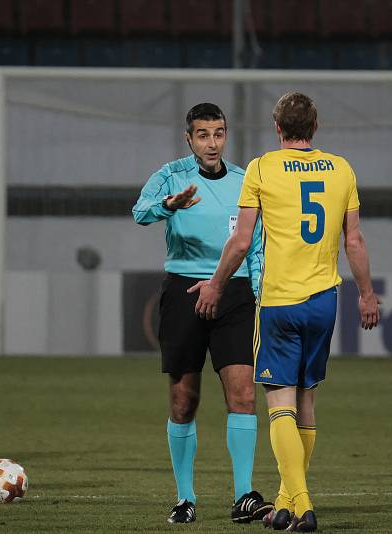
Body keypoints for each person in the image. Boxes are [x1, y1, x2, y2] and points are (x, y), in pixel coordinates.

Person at [191, 92, 380, 532]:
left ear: (278, 129)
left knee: (279, 404)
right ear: (315, 128)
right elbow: (354, 241)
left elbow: (241, 240)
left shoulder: (260, 168)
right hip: (324, 301)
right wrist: (366, 294)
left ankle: (303, 504)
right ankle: (283, 501)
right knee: (307, 400)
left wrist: (216, 284)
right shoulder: (341, 168)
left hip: (279, 303)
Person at [132, 103, 272, 524]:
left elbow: (257, 244)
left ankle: (244, 495)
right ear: (188, 139)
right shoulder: (170, 176)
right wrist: (169, 205)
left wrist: (259, 290)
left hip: (235, 292)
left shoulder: (246, 181)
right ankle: (185, 497)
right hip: (183, 291)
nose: (212, 143)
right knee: (183, 400)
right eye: (203, 135)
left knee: (243, 395)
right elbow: (139, 212)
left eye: (219, 133)